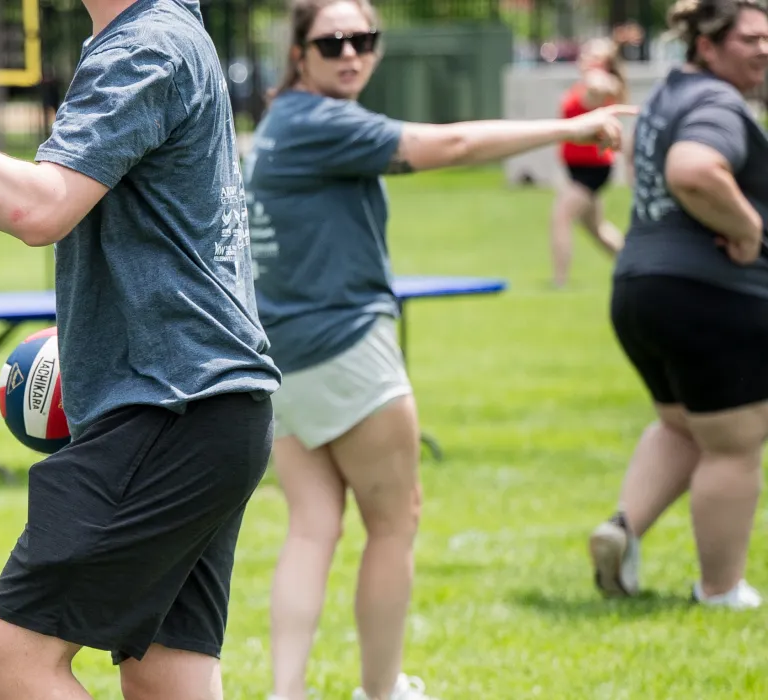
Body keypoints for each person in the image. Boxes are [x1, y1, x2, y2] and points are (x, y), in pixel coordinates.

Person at [0, 1, 283, 696]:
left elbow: (38, 208)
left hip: (170, 404)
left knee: (11, 657)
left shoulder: (144, 47)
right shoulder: (168, 32)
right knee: (165, 675)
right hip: (215, 408)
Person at [243, 2, 633, 699]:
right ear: (298, 53)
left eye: (364, 39)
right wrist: (568, 126)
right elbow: (448, 147)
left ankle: (286, 691)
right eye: (331, 41)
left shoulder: (281, 122)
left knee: (313, 526)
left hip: (281, 358)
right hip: (342, 346)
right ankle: (381, 689)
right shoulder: (323, 121)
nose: (350, 53)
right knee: (396, 519)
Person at [588, 0, 768, 611]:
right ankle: (720, 591)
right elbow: (692, 170)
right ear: (707, 45)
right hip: (709, 295)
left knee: (681, 424)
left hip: (638, 288)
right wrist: (749, 230)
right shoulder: (717, 102)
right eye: (749, 39)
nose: (764, 49)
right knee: (734, 442)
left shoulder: (669, 94)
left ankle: (622, 529)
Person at [548, 37, 630, 289]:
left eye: (594, 56)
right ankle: (635, 265)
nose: (586, 58)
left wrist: (601, 81)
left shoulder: (596, 82)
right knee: (597, 228)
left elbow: (605, 86)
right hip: (578, 170)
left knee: (561, 216)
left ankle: (559, 283)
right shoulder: (582, 84)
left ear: (604, 63)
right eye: (586, 53)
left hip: (591, 170)